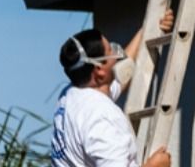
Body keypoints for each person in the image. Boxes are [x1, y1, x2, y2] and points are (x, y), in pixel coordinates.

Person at [51, 11, 174, 167]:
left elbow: (121, 75)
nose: (117, 56)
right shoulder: (100, 117)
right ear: (99, 70)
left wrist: (147, 29)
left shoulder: (71, 96)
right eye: (111, 51)